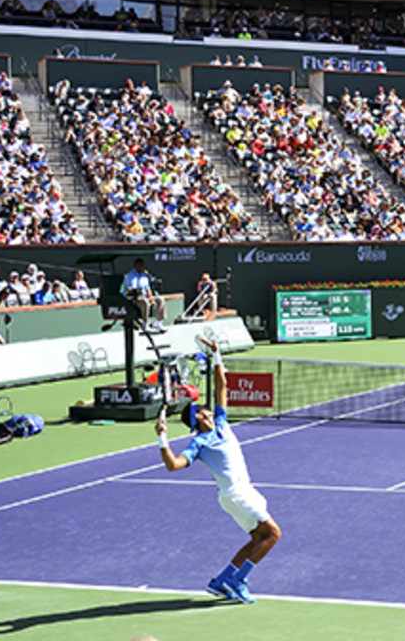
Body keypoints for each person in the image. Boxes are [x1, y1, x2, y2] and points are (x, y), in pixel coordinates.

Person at [155, 337, 282, 603]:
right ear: (197, 419)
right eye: (201, 410)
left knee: (256, 538)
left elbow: (222, 384)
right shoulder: (199, 443)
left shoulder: (222, 422)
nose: (207, 410)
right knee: (273, 535)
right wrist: (162, 439)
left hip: (242, 491)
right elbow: (173, 465)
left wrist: (217, 355)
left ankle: (221, 580)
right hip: (235, 494)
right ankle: (239, 580)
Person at [122, 258, 165, 332]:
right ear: (135, 266)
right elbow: (132, 290)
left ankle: (158, 323)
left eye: (143, 265)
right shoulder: (130, 276)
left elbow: (147, 288)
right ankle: (146, 324)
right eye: (140, 265)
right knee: (144, 301)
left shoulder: (144, 276)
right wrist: (141, 296)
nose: (142, 267)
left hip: (144, 296)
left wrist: (150, 296)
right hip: (132, 298)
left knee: (161, 299)